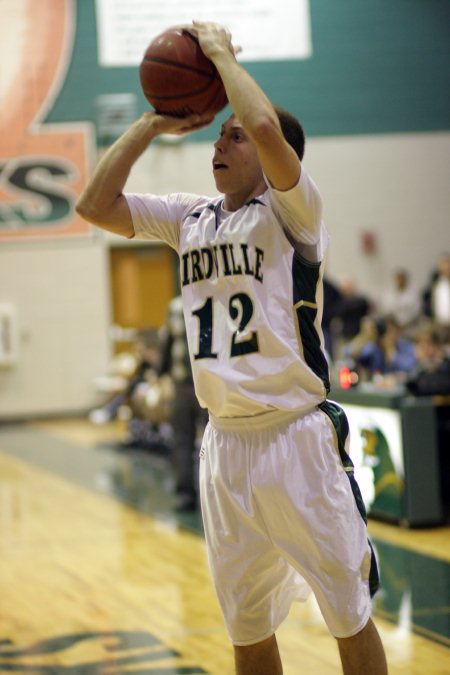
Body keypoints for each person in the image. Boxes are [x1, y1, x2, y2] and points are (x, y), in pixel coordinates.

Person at [76, 21, 387, 674]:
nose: (221, 140)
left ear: (275, 161)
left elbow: (270, 129)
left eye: (232, 134)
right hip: (224, 446)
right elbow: (94, 204)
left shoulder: (293, 212)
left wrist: (217, 53)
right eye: (219, 133)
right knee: (247, 632)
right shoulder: (191, 217)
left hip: (297, 437)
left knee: (347, 613)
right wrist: (153, 124)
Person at [158, 295, 207, 511]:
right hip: (207, 385)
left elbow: (166, 346)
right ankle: (213, 494)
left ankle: (186, 495)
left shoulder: (175, 306)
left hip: (184, 385)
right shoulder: (214, 297)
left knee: (183, 441)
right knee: (212, 441)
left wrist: (161, 374)